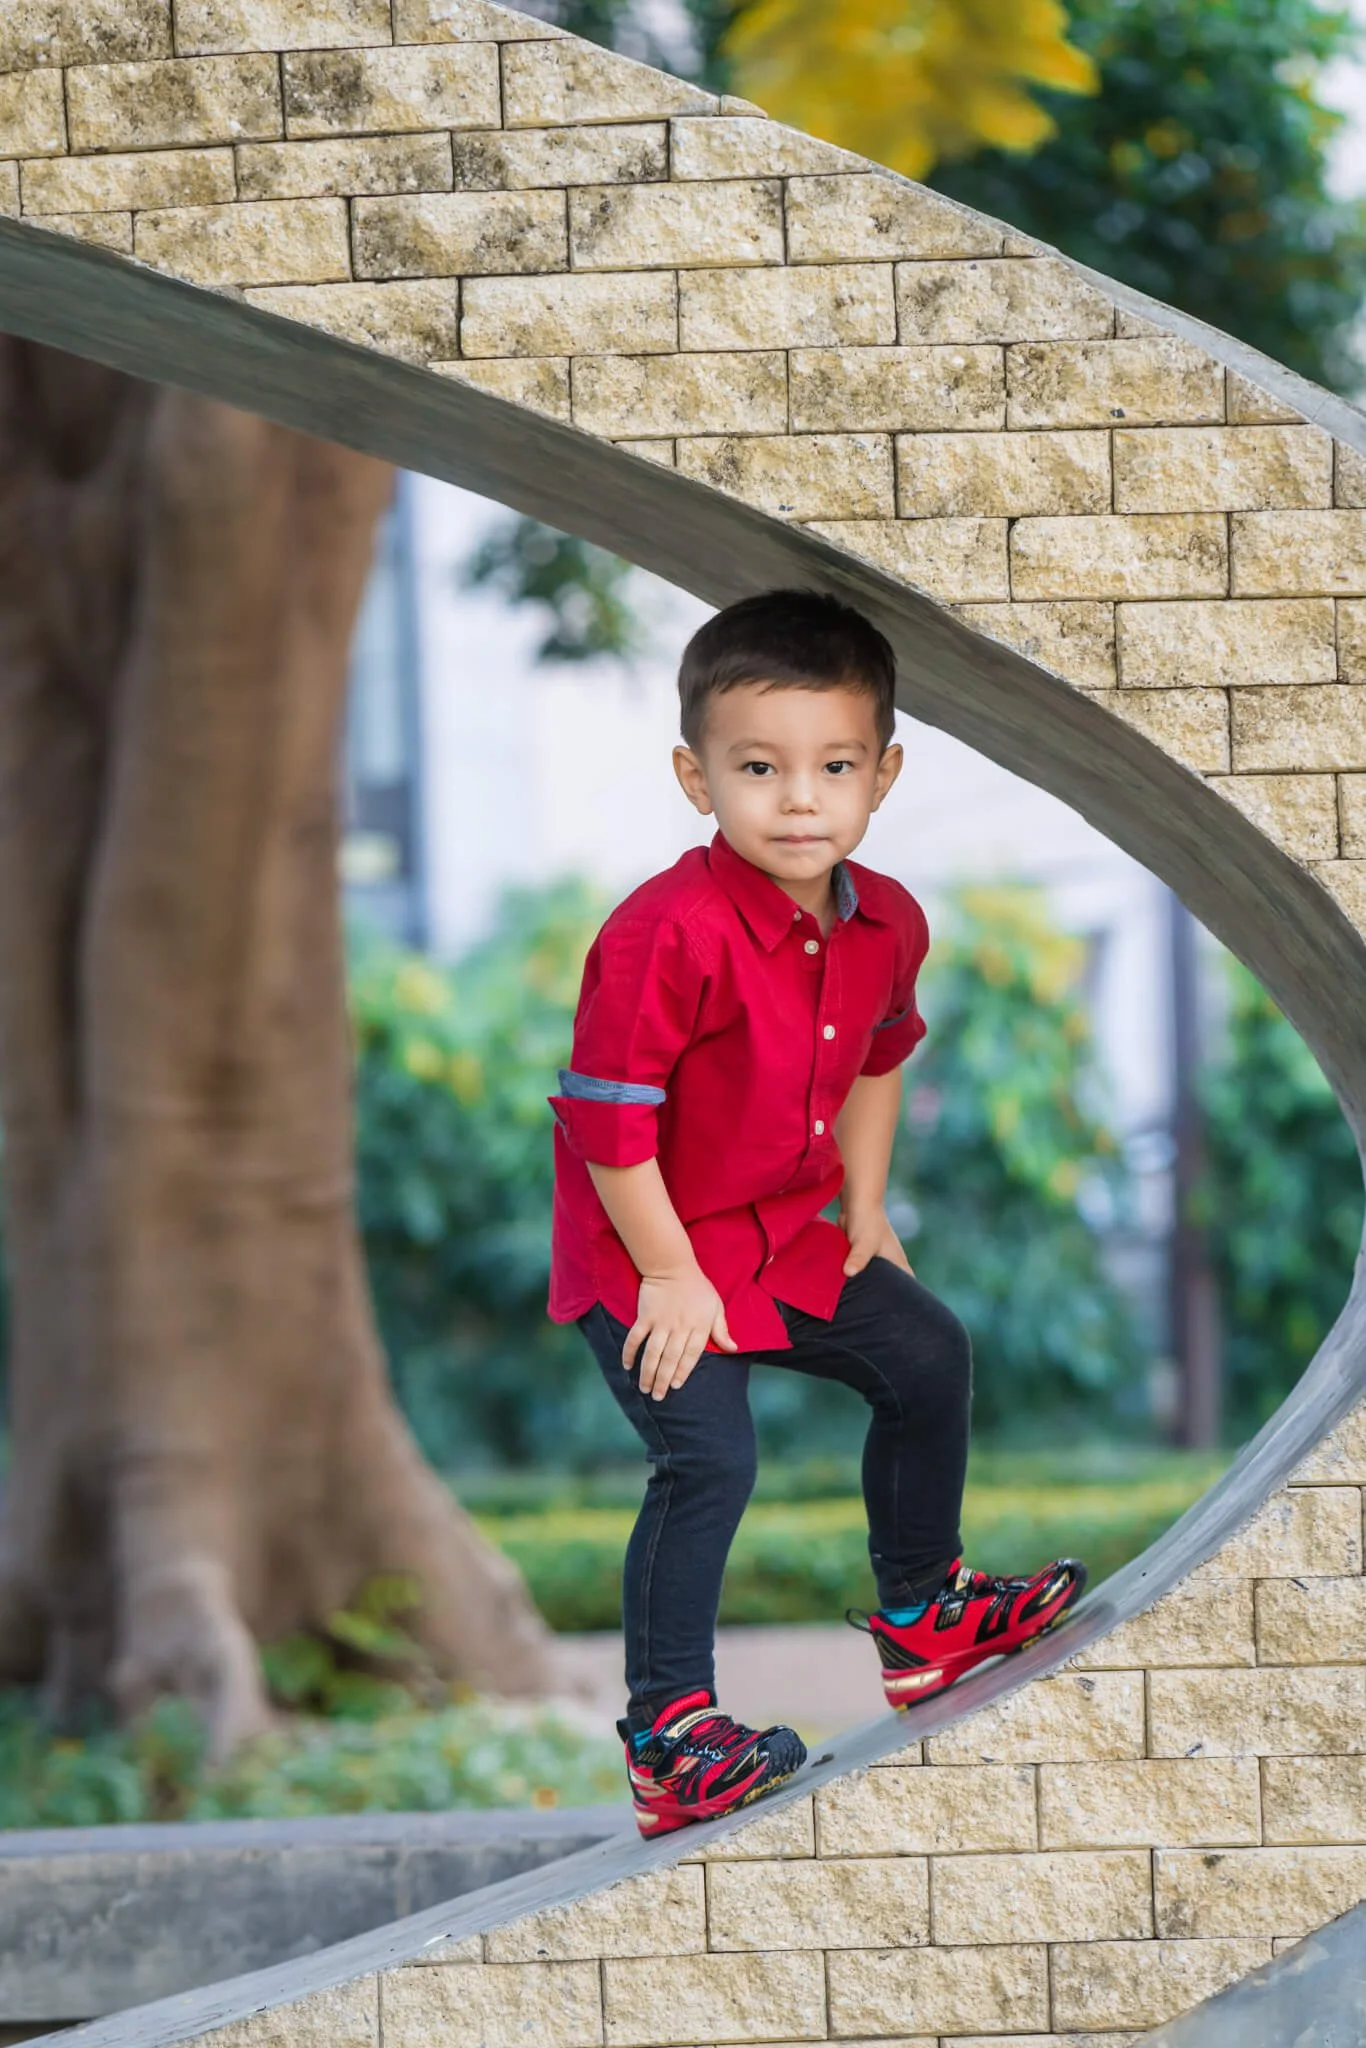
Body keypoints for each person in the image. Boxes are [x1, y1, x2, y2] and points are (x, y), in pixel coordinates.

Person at [546, 589, 1086, 1839]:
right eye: (758, 768)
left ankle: (924, 1617)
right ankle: (673, 1736)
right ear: (697, 777)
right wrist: (675, 1279)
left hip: (788, 1229)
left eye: (833, 765)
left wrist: (866, 1202)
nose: (799, 799)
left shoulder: (886, 918)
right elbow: (607, 1127)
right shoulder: (660, 934)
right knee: (708, 1458)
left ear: (881, 773)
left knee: (925, 1351)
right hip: (650, 1250)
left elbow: (881, 1058)